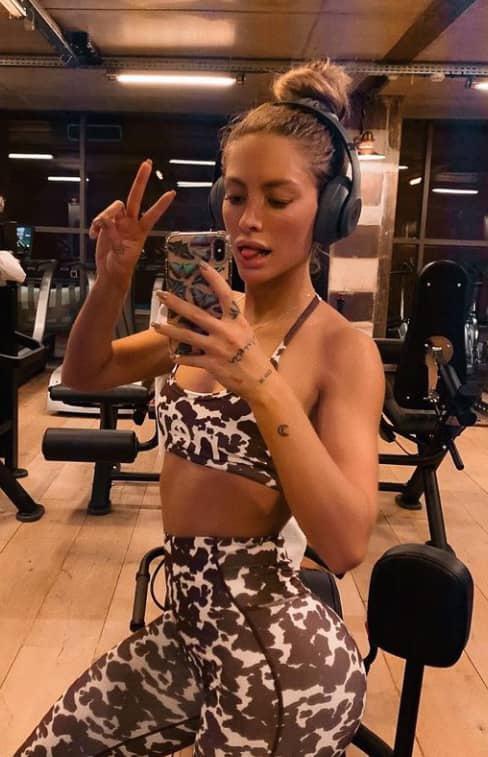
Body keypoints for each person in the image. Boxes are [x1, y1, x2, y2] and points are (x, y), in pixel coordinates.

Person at [16, 59, 385, 757]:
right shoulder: (207, 320)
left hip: (280, 666)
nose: (249, 220)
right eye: (235, 195)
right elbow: (86, 372)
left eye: (278, 198)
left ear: (331, 209)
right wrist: (113, 279)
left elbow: (343, 546)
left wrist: (261, 382)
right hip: (190, 631)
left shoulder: (343, 350)